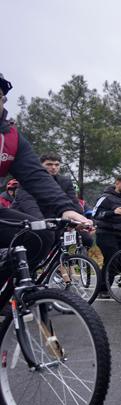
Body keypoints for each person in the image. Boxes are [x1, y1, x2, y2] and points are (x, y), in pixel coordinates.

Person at [0, 72, 91, 285]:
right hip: (32, 210)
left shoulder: (10, 137)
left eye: (1, 97)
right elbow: (27, 198)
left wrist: (66, 209)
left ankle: (10, 291)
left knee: (40, 235)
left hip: (48, 218)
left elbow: (35, 176)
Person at [13, 152, 93, 247]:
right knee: (48, 237)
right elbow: (30, 206)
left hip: (53, 219)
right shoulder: (28, 181)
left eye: (57, 164)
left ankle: (70, 259)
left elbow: (74, 203)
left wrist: (80, 220)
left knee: (86, 239)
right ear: (40, 166)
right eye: (49, 164)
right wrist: (43, 224)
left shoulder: (65, 181)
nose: (54, 167)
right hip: (28, 219)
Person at [93, 174, 121, 296]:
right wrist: (112, 212)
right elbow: (95, 214)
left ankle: (116, 277)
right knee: (112, 260)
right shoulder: (105, 197)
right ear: (117, 183)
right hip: (106, 233)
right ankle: (103, 289)